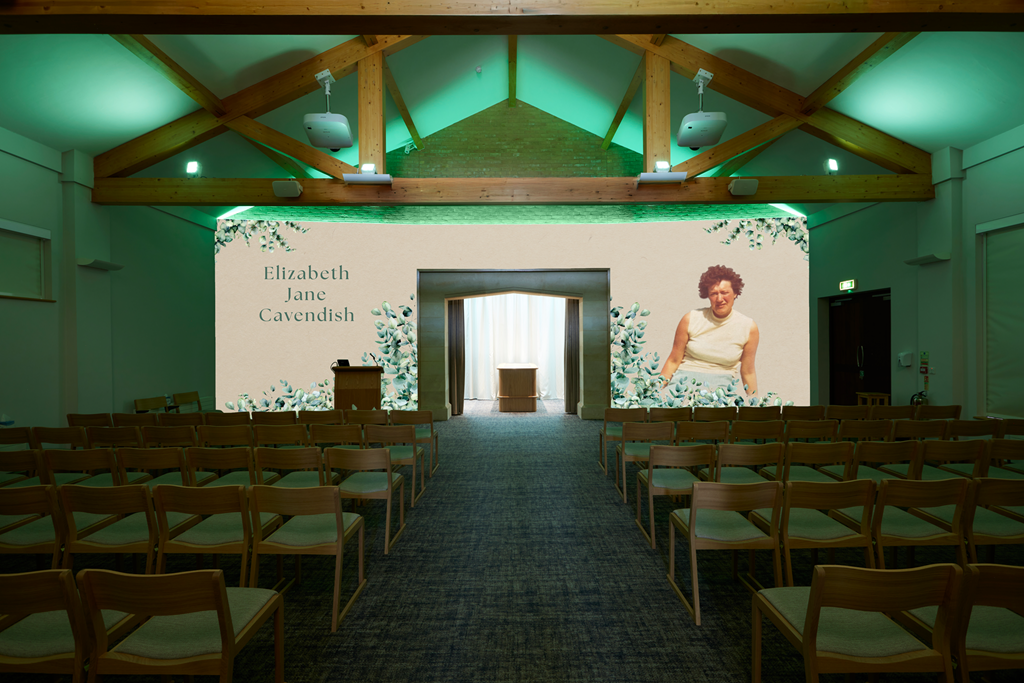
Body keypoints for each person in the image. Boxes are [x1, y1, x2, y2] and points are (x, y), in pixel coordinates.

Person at [658, 265, 759, 397]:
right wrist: (653, 392)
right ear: (708, 296)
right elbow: (673, 360)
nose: (719, 299)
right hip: (681, 387)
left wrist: (755, 405)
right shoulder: (691, 319)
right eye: (713, 293)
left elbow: (748, 372)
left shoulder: (748, 327)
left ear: (735, 293)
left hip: (719, 393)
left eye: (724, 292)